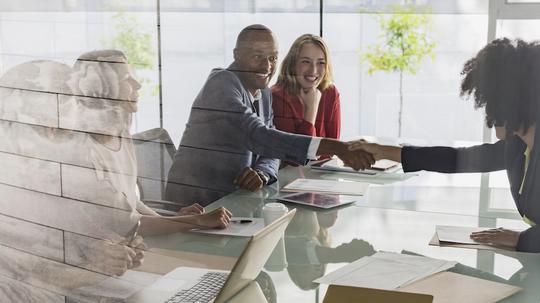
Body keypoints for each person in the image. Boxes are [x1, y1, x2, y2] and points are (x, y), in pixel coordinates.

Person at [349, 38, 540, 252]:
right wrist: (381, 151)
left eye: (490, 102)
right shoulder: (515, 147)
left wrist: (522, 240)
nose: (487, 112)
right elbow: (456, 160)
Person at [165, 24, 374, 206]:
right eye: (258, 57)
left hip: (236, 203)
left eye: (273, 58)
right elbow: (259, 136)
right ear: (237, 55)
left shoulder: (262, 91)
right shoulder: (221, 84)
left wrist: (263, 174)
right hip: (197, 206)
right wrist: (336, 147)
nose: (267, 66)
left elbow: (270, 152)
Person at [66, 50, 233, 237]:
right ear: (99, 89)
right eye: (126, 79)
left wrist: (173, 221)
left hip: (129, 242)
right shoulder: (82, 151)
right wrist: (195, 221)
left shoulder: (121, 134)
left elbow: (131, 203)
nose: (137, 84)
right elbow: (124, 223)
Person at [272, 34, 340, 141]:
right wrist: (311, 110)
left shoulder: (330, 92)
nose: (313, 70)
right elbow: (296, 154)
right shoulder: (277, 96)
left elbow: (333, 147)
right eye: (306, 62)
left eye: (321, 62)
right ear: (292, 64)